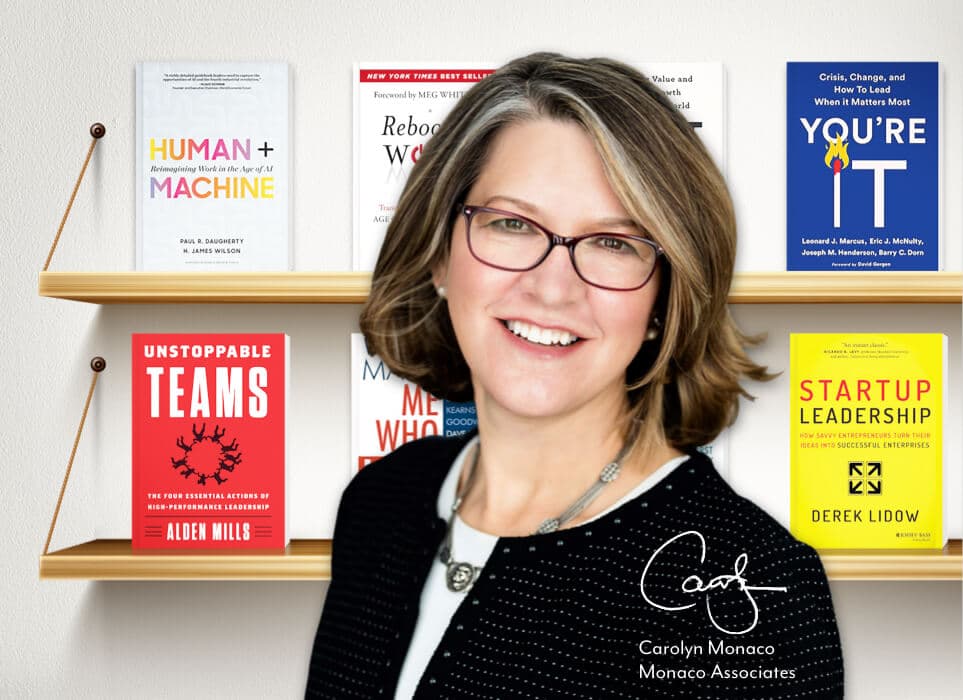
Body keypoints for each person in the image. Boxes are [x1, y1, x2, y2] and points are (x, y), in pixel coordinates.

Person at [306, 53, 844, 699]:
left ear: (663, 301)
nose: (552, 288)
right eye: (511, 224)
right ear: (438, 255)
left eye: (614, 242)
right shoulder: (383, 499)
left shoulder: (748, 583)